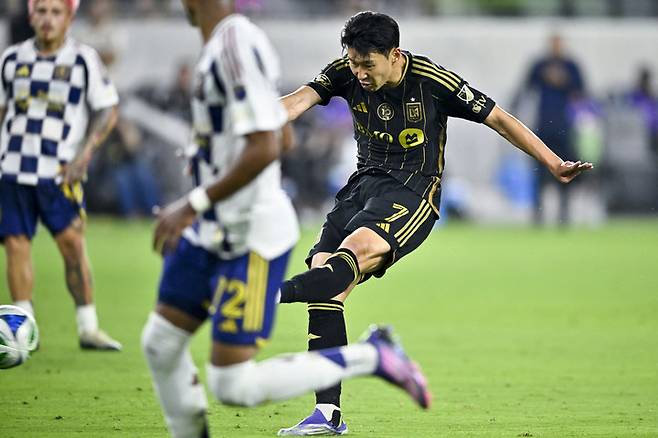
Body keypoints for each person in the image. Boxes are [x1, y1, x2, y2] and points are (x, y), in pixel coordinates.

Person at [277, 11, 593, 435]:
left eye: (367, 64)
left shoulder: (431, 81)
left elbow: (499, 119)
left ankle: (266, 296)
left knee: (347, 257)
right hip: (361, 188)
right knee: (324, 286)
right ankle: (328, 413)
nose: (359, 73)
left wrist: (553, 163)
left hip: (412, 193)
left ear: (394, 54)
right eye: (353, 63)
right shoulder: (344, 72)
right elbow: (296, 102)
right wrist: (245, 123)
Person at [141, 2, 430, 437]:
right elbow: (283, 126)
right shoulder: (218, 46)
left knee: (233, 384)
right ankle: (329, 412)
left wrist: (193, 201)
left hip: (247, 228)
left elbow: (269, 142)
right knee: (160, 343)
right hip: (212, 226)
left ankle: (372, 356)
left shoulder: (236, 43)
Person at [0, 0, 121, 350]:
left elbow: (108, 109)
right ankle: (23, 331)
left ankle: (88, 328)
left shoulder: (83, 59)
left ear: (69, 17)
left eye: (56, 12)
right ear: (31, 16)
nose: (48, 19)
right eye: (42, 11)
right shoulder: (11, 59)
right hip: (12, 168)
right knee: (16, 245)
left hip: (59, 171)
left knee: (72, 244)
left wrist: (85, 154)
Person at [519, 33, 586, 225]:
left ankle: (564, 214)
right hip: (543, 125)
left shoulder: (571, 66)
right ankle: (538, 214)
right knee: (539, 171)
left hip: (564, 126)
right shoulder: (540, 65)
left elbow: (581, 90)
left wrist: (564, 80)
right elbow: (526, 87)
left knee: (566, 168)